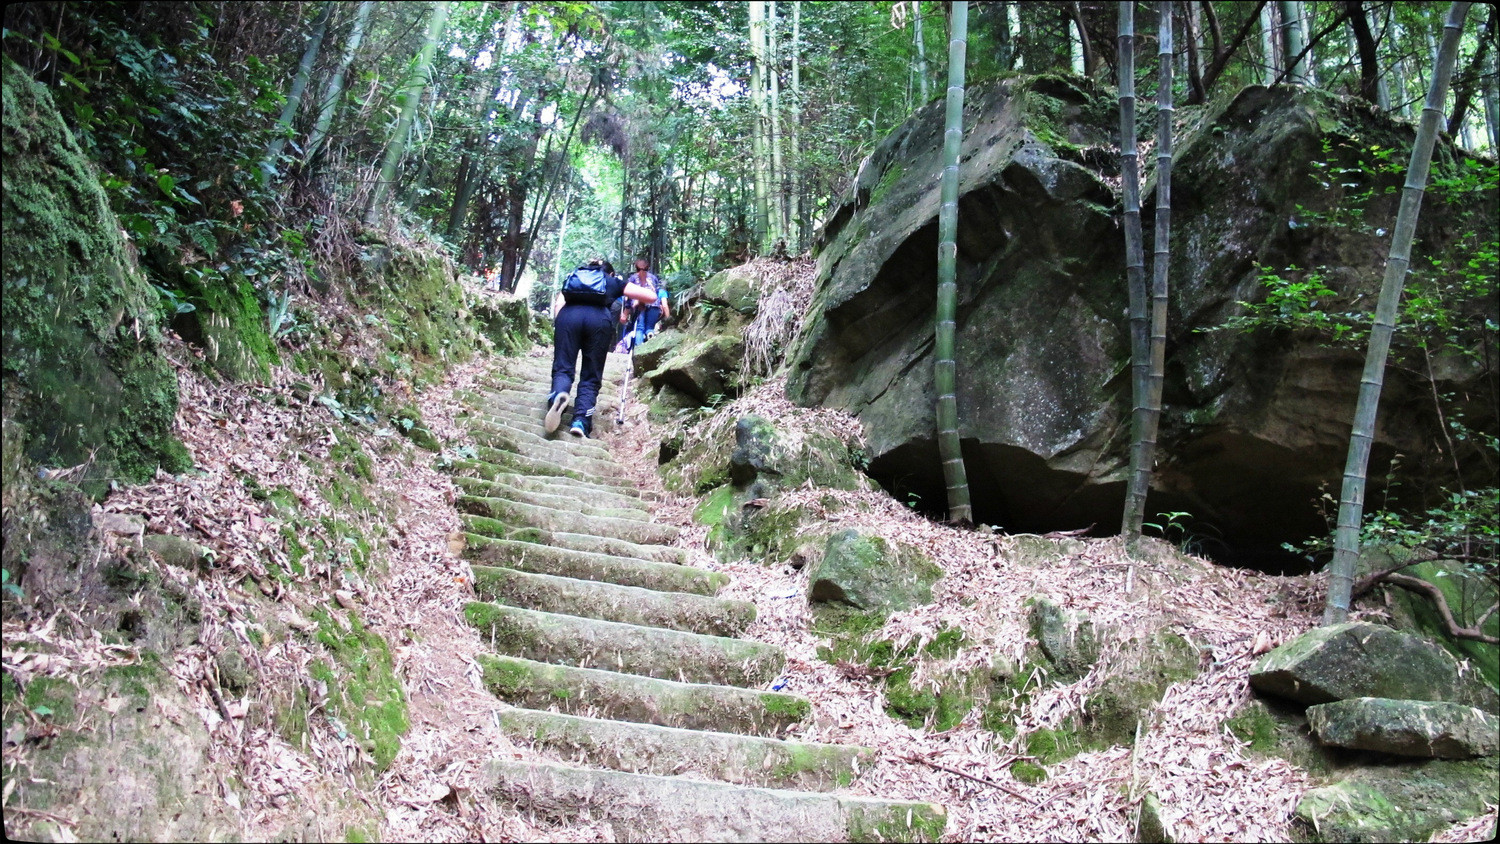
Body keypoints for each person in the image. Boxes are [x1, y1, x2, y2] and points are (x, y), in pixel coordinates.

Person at [547, 259, 657, 438]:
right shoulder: (611, 281)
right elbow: (651, 297)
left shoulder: (574, 278)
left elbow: (559, 304)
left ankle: (558, 395)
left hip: (568, 318)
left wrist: (561, 325)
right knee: (591, 374)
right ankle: (581, 420)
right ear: (609, 273)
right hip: (598, 321)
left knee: (563, 366)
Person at [627, 258, 670, 347]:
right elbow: (657, 293)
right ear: (648, 267)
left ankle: (639, 349)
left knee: (639, 328)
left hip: (639, 305)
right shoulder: (653, 278)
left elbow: (629, 295)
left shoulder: (632, 278)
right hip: (654, 305)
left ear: (636, 268)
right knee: (650, 328)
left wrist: (627, 310)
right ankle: (650, 335)